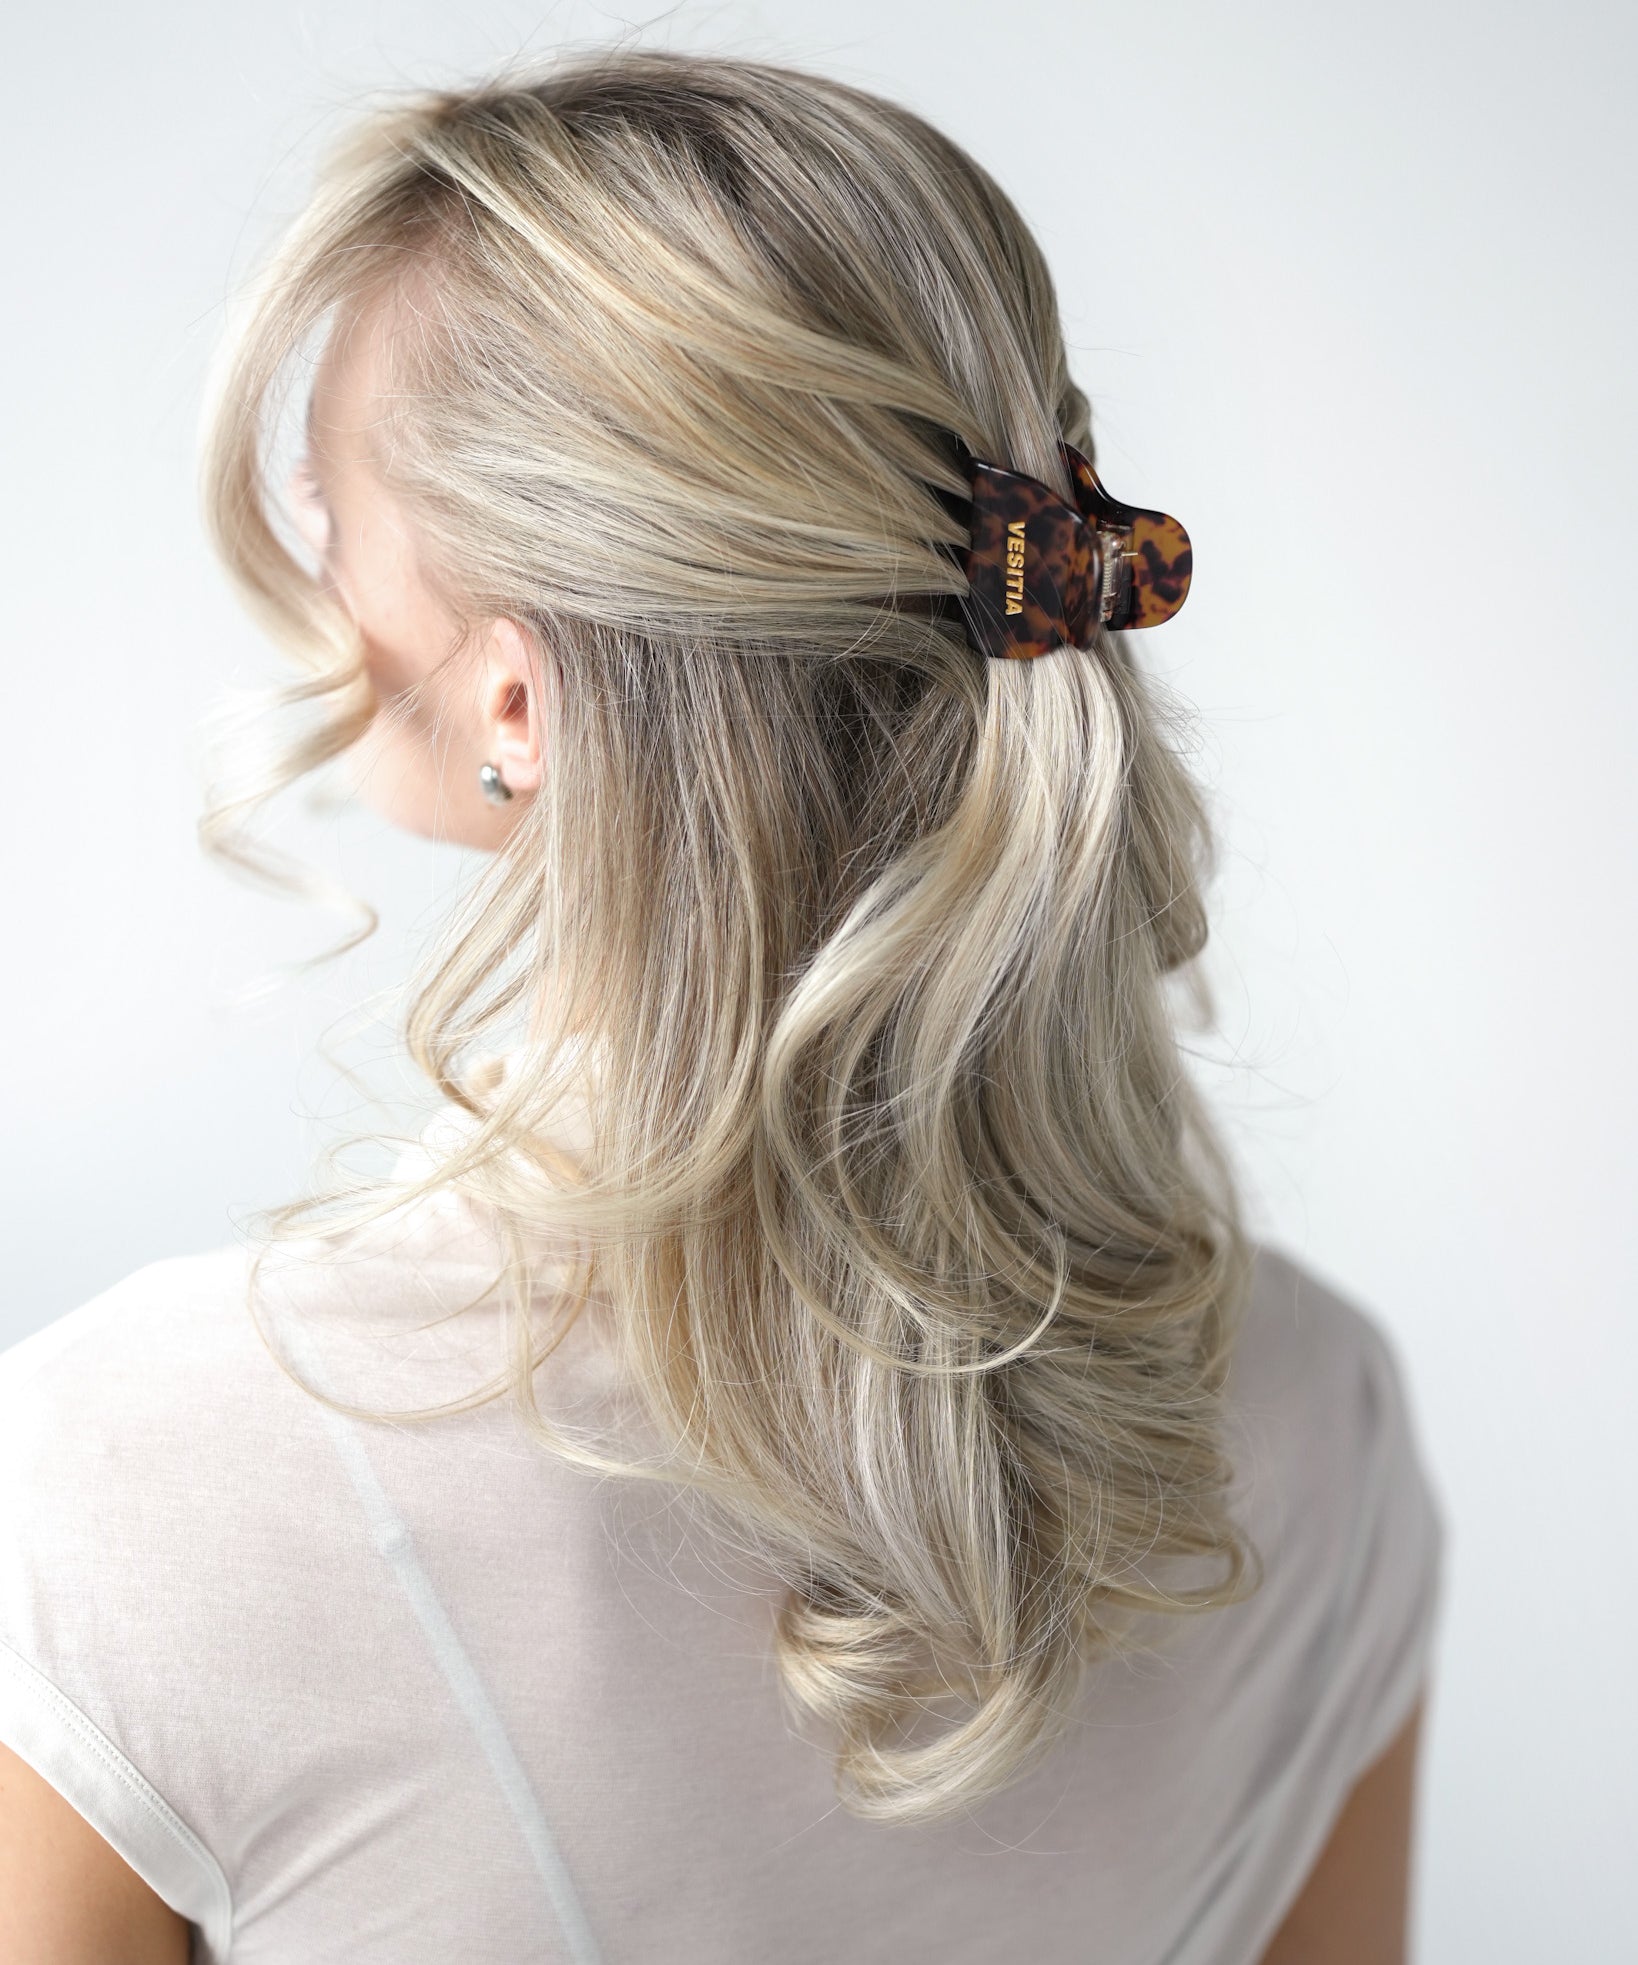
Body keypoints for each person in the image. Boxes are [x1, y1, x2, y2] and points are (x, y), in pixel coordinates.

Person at [0, 45, 1446, 1964]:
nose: (313, 557)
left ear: (518, 701)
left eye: (335, 500)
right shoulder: (1312, 1408)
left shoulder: (132, 1483)